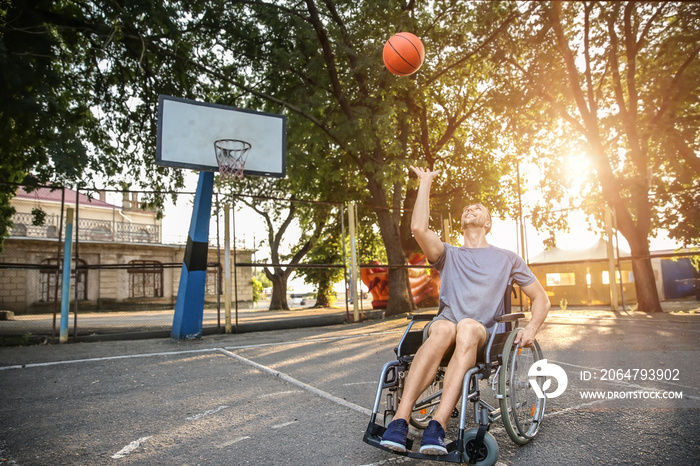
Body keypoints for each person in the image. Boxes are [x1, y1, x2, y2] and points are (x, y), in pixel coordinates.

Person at [380, 166, 550, 455]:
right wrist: (425, 182)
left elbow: (541, 298)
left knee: (468, 326)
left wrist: (531, 328)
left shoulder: (507, 258)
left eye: (478, 208)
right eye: (467, 208)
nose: (470, 208)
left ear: (488, 223)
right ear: (461, 223)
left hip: (480, 332)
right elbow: (419, 229)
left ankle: (438, 425)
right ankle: (399, 421)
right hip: (446, 326)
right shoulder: (449, 254)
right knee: (445, 327)